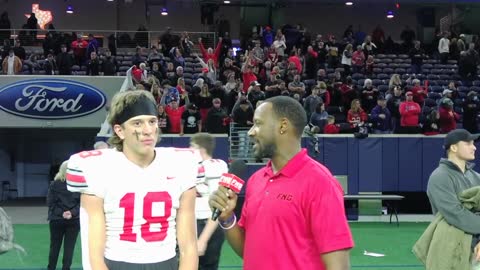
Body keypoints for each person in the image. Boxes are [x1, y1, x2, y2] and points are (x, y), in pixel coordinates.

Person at [209, 96, 354, 270]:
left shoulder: (320, 183)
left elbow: (338, 266)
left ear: (283, 126)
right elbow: (249, 250)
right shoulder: (256, 180)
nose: (251, 132)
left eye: (258, 123)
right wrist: (227, 218)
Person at [66, 90, 199, 270]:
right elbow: (94, 254)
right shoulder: (96, 167)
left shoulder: (181, 164)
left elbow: (189, 246)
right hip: (117, 263)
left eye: (152, 121)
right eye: (137, 123)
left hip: (165, 262)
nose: (148, 130)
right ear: (119, 131)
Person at [424, 129, 480, 265]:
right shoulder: (440, 176)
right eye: (468, 143)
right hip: (451, 248)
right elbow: (455, 214)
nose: (474, 147)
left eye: (473, 143)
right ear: (454, 147)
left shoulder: (476, 176)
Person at [190, 133, 228, 270]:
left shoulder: (214, 166)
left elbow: (217, 208)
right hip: (194, 225)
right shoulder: (195, 168)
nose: (189, 150)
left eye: (192, 147)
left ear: (200, 149)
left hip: (207, 225)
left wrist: (203, 240)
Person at [47, 161, 80, 270]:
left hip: (57, 220)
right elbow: (82, 204)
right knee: (69, 248)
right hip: (74, 220)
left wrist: (61, 213)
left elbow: (50, 203)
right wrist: (72, 213)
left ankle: (51, 268)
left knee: (54, 246)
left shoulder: (54, 185)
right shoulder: (78, 186)